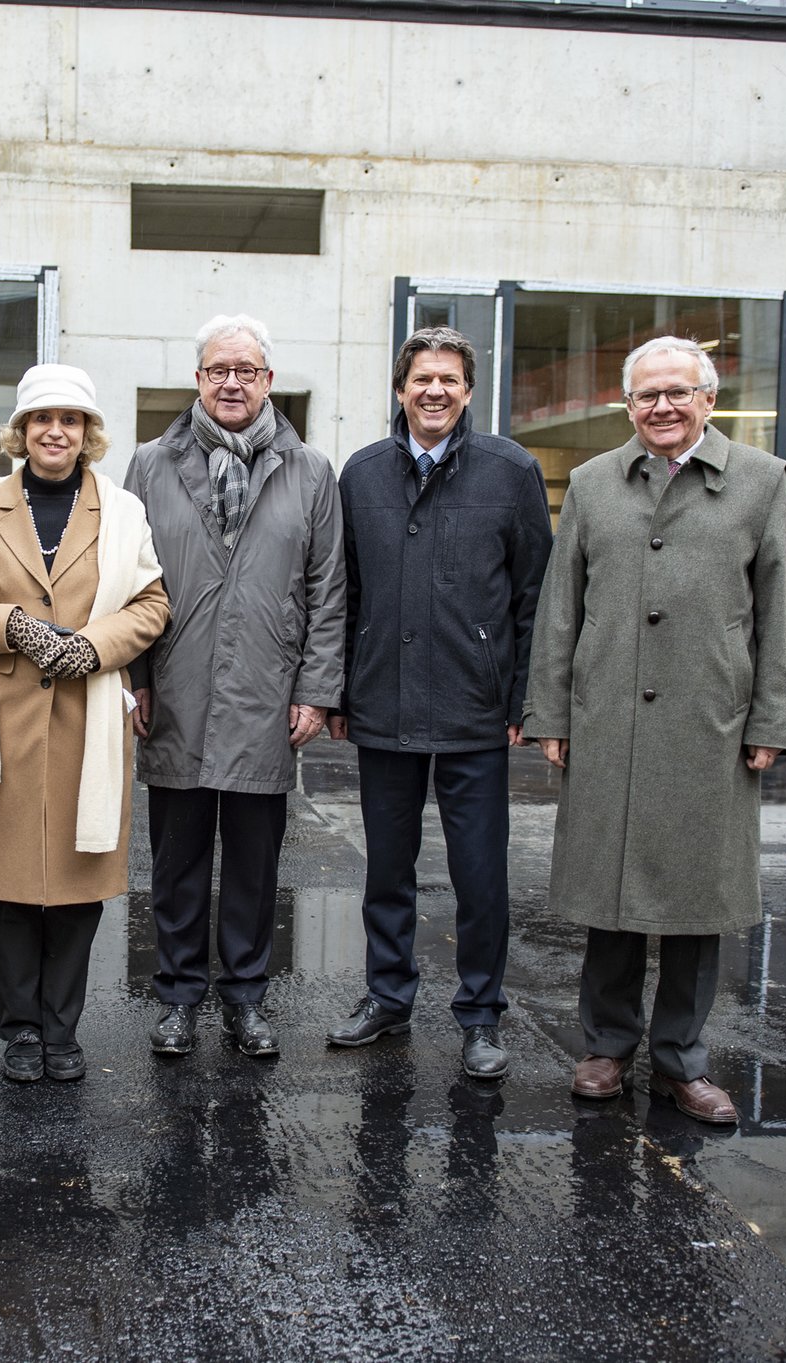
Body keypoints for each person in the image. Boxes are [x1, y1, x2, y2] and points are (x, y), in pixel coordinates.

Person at [522, 334, 786, 1125]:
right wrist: (550, 710)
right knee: (609, 897)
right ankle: (606, 1047)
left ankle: (683, 1060)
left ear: (709, 399)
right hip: (607, 714)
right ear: (629, 404)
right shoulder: (591, 484)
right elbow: (561, 608)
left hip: (708, 722)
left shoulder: (758, 482)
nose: (663, 407)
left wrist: (774, 717)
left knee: (696, 899)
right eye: (647, 395)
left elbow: (780, 609)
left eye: (679, 392)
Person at [0, 364, 170, 1082]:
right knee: (9, 885)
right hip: (0, 717)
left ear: (89, 432)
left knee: (75, 880)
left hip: (87, 716)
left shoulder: (121, 510)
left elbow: (151, 604)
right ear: (22, 432)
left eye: (70, 419)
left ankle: (62, 1030)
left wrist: (93, 647)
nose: (55, 431)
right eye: (42, 419)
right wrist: (14, 627)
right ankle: (21, 1033)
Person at [326, 327, 553, 1080]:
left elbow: (533, 597)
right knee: (386, 869)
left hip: (474, 710)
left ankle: (481, 1013)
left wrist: (523, 698)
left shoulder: (510, 471)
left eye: (449, 380)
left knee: (479, 875)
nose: (434, 391)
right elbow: (342, 591)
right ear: (400, 389)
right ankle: (388, 997)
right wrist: (339, 687)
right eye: (422, 378)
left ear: (467, 391)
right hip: (383, 705)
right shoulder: (360, 474)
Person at [124, 314, 346, 1059]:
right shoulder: (151, 464)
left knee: (254, 864)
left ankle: (246, 997)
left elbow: (327, 587)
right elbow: (129, 582)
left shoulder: (310, 471)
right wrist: (135, 679)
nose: (231, 382)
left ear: (268, 381)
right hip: (177, 688)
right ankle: (179, 997)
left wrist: (316, 688)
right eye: (219, 369)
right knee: (177, 860)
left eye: (246, 370)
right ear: (197, 378)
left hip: (266, 688)